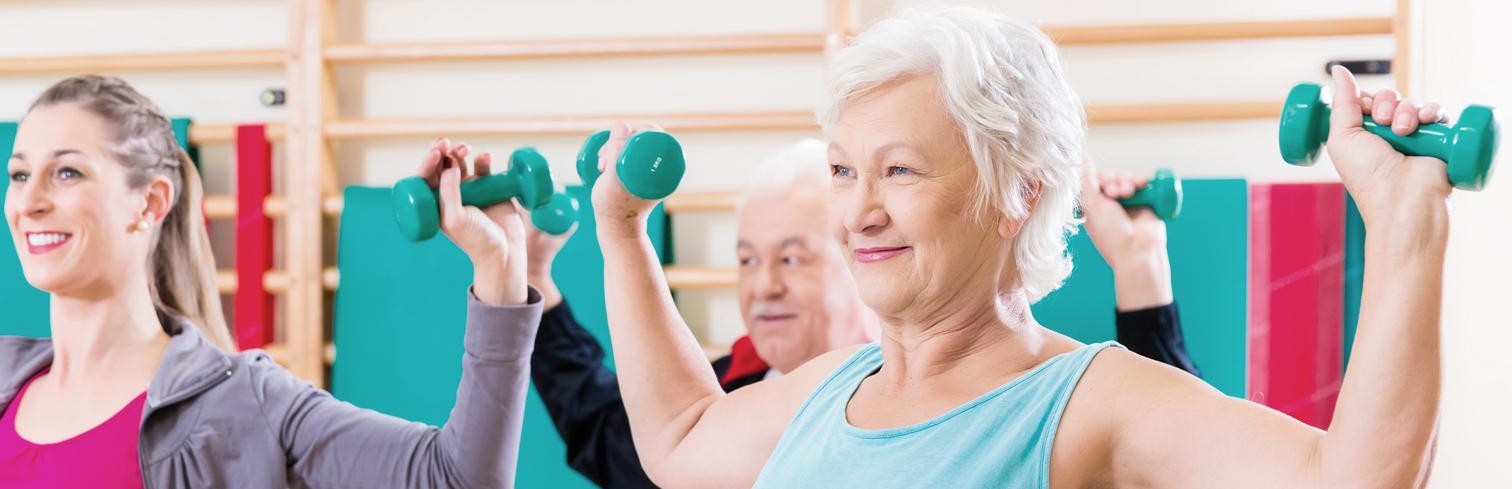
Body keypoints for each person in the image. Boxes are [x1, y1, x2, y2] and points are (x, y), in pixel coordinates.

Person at [585, 6, 1450, 488]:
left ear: (1018, 192)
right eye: (847, 171)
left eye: (901, 171)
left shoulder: (1090, 402)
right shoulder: (822, 392)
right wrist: (621, 228)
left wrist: (1405, 227)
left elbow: (1358, 479)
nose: (861, 213)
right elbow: (680, 435)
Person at [0, 75, 543, 489]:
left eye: (67, 173)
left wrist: (500, 272)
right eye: (20, 175)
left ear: (149, 201)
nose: (31, 201)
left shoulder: (242, 405)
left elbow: (457, 480)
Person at [529, 140, 1200, 487]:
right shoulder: (728, 403)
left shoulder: (1000, 403)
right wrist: (533, 281)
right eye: (746, 260)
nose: (763, 287)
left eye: (792, 259)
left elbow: (1160, 454)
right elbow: (610, 427)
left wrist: (1142, 269)